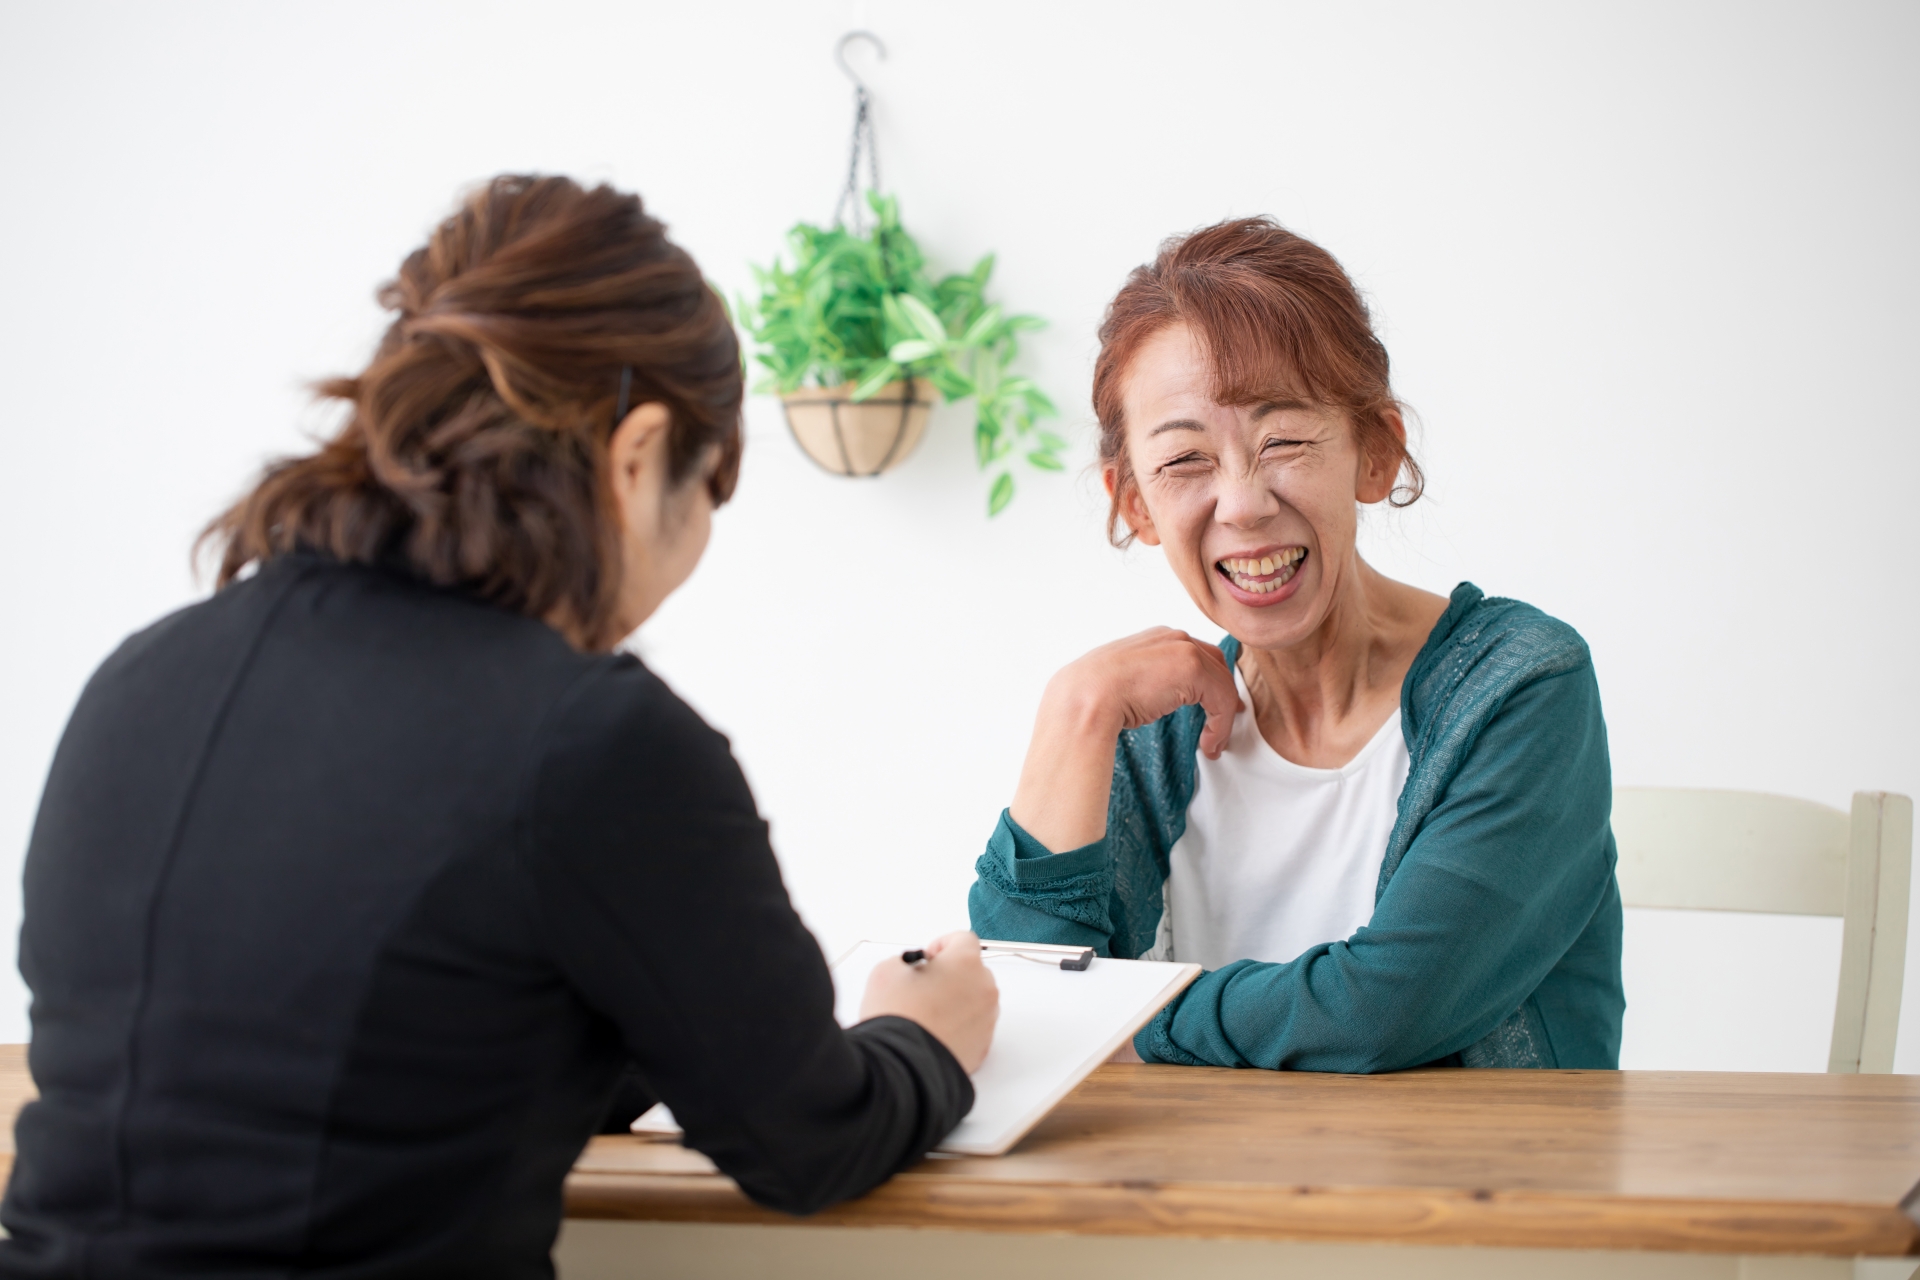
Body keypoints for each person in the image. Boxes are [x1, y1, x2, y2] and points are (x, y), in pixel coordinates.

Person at [2, 175, 998, 1279]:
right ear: (639, 454)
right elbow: (809, 1138)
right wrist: (925, 1035)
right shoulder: (591, 740)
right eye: (708, 494)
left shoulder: (142, 678)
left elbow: (379, 1027)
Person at [969, 218, 1622, 1072]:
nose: (1240, 504)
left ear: (1376, 453)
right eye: (1184, 462)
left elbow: (1385, 1010)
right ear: (1134, 505)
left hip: (1469, 1198)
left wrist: (1123, 1016)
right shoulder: (1146, 728)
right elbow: (1027, 1012)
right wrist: (1075, 710)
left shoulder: (1522, 685)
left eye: (1282, 441)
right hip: (1193, 1205)